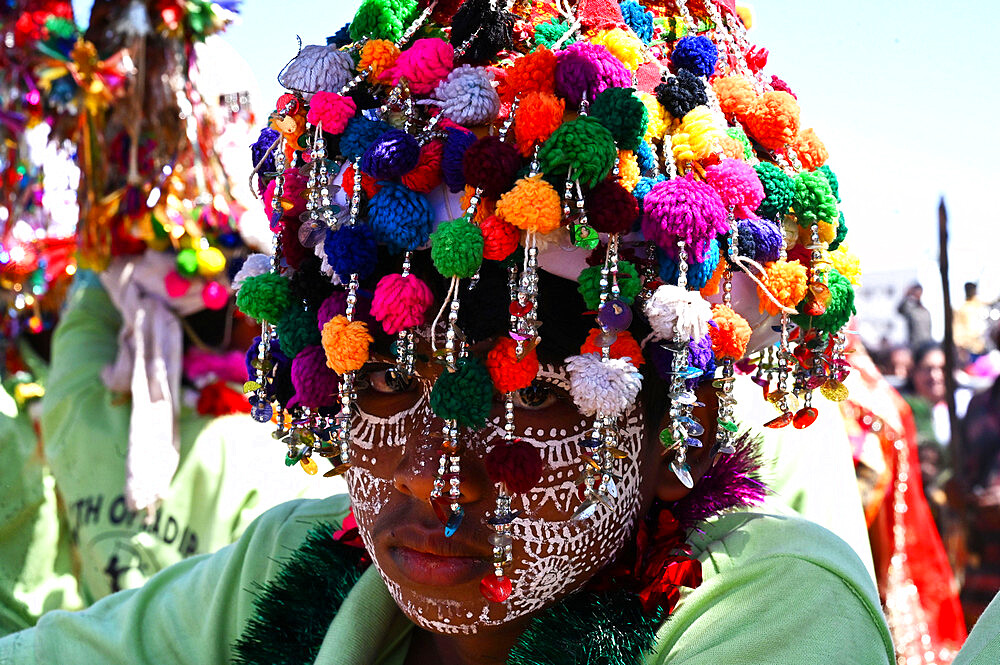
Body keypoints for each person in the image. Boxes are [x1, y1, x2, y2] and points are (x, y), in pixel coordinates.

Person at [0, 0, 893, 662]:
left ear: (672, 435)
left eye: (543, 395)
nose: (437, 470)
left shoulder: (771, 605)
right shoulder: (295, 556)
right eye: (387, 381)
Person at [955, 282, 988, 361]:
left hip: (984, 346)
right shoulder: (962, 309)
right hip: (969, 348)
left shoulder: (980, 304)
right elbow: (957, 328)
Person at [898, 283, 934, 350]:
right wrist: (906, 296)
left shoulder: (924, 310)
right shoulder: (910, 308)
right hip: (915, 346)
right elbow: (899, 309)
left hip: (927, 344)